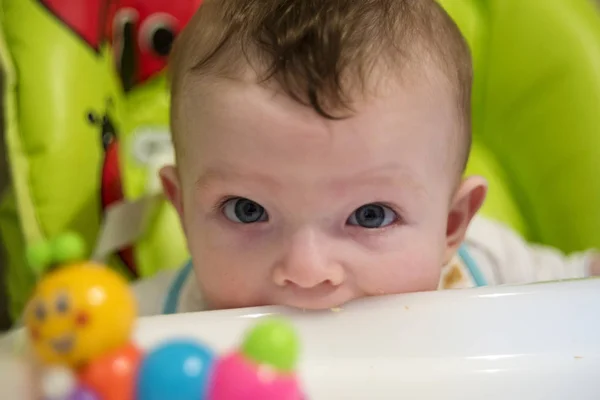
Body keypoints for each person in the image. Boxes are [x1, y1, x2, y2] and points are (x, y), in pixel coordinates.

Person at [131, 0, 599, 316]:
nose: (307, 272)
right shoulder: (157, 321)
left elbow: (576, 289)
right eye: (246, 210)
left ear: (452, 225)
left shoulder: (487, 269)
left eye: (371, 215)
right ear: (183, 210)